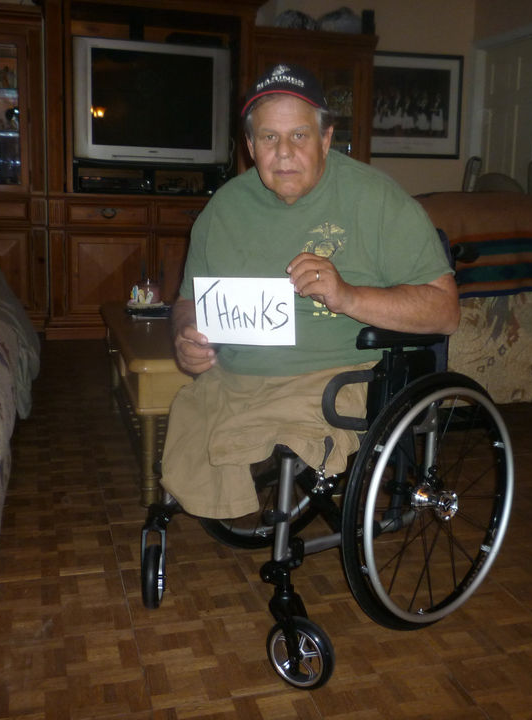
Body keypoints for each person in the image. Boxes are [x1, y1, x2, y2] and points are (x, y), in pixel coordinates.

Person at [160, 63, 459, 519]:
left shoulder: (377, 200)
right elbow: (187, 302)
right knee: (193, 420)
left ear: (325, 139)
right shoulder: (222, 210)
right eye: (268, 138)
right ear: (249, 145)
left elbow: (445, 311)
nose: (283, 153)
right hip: (235, 380)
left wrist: (348, 296)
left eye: (299, 136)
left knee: (259, 430)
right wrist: (187, 336)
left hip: (334, 379)